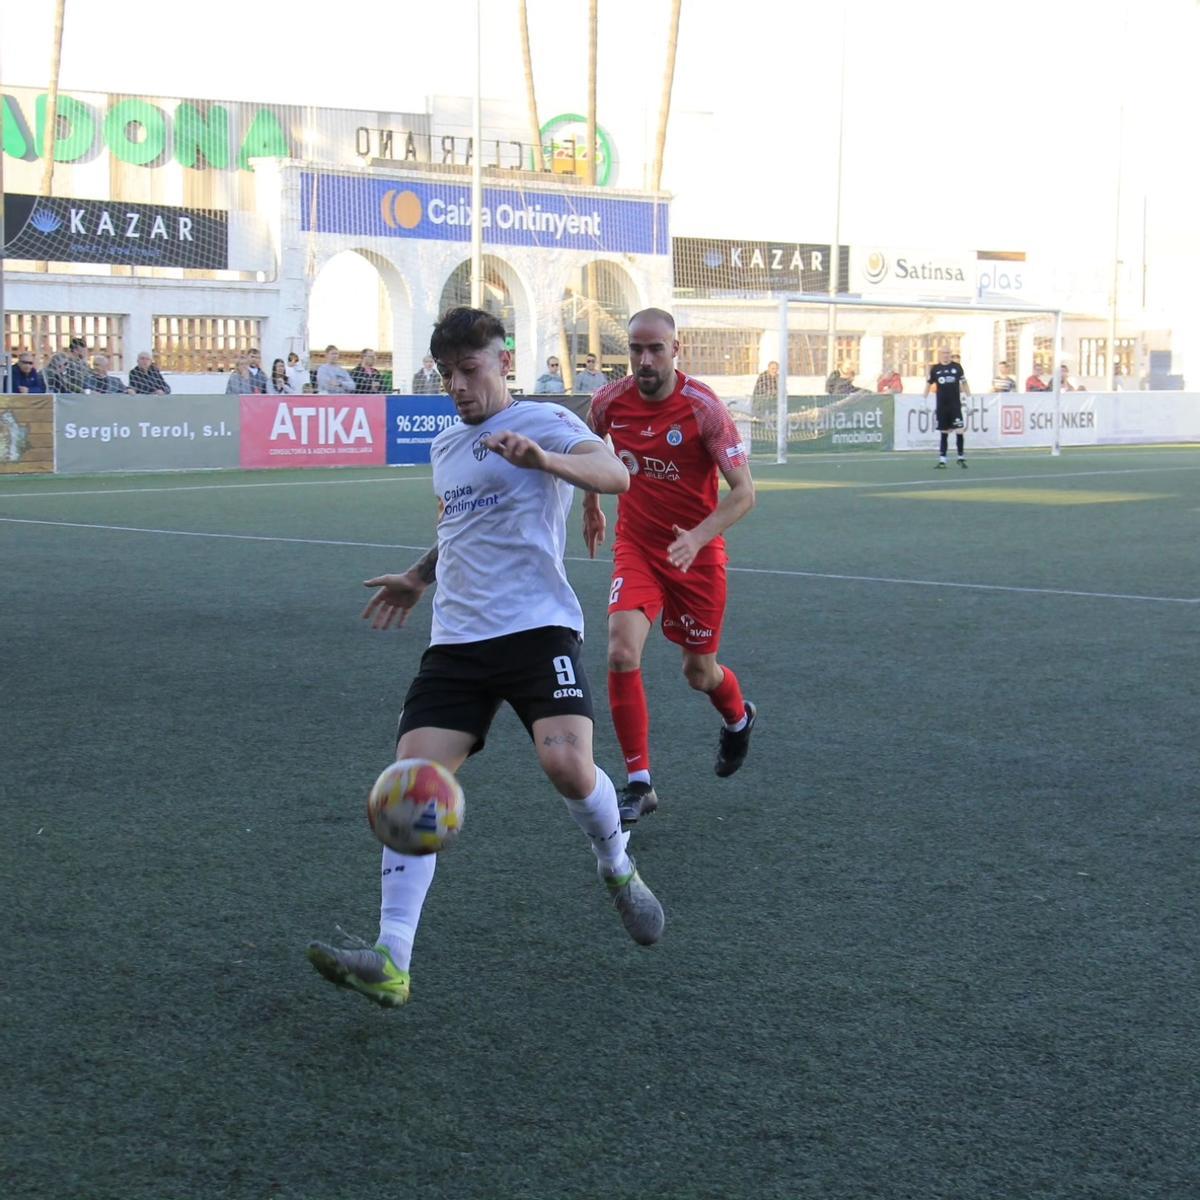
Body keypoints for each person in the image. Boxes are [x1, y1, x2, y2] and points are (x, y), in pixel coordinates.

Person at [305, 306, 663, 1007]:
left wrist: (544, 461)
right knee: (408, 787)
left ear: (504, 361)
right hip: (457, 643)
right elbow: (463, 528)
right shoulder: (445, 447)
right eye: (446, 373)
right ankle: (392, 957)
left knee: (567, 765)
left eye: (470, 369)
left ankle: (615, 863)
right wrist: (417, 575)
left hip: (537, 632)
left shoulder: (544, 423)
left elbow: (614, 474)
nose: (458, 385)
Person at [582, 308, 758, 826]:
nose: (644, 359)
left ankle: (738, 718)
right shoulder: (608, 402)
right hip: (636, 547)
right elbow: (587, 451)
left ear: (676, 350)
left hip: (697, 557)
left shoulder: (704, 408)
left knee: (699, 673)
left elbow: (745, 493)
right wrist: (591, 504)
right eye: (636, 349)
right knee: (619, 648)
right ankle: (639, 782)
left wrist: (698, 538)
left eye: (656, 348)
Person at [925, 346, 970, 469]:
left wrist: (969, 397)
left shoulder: (957, 367)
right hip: (942, 406)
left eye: (948, 353)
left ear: (950, 354)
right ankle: (942, 460)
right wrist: (923, 399)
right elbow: (928, 384)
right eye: (944, 353)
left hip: (955, 405)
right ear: (939, 354)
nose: (946, 355)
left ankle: (961, 457)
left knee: (959, 430)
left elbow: (964, 383)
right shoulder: (935, 368)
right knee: (944, 432)